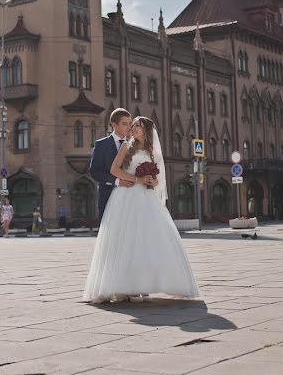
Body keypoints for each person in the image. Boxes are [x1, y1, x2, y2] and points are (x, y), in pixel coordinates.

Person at [83, 116, 199, 304]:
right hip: (125, 197)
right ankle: (126, 286)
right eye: (132, 125)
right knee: (126, 240)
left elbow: (157, 178)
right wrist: (136, 180)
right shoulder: (126, 146)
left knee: (148, 240)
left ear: (146, 130)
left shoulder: (152, 151)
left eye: (137, 125)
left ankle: (144, 284)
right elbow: (114, 170)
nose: (133, 128)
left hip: (146, 197)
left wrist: (153, 181)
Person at [90, 108, 134, 220]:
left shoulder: (135, 145)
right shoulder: (101, 145)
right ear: (114, 124)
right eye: (125, 124)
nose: (129, 127)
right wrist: (117, 181)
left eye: (130, 123)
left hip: (132, 198)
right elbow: (95, 172)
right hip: (108, 198)